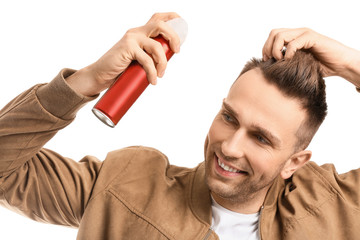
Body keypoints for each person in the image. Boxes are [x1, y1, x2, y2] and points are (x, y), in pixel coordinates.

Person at [1, 12, 360, 240]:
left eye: (261, 138)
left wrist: (350, 63)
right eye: (229, 117)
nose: (230, 147)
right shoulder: (125, 186)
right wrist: (88, 80)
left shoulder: (337, 207)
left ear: (295, 161)